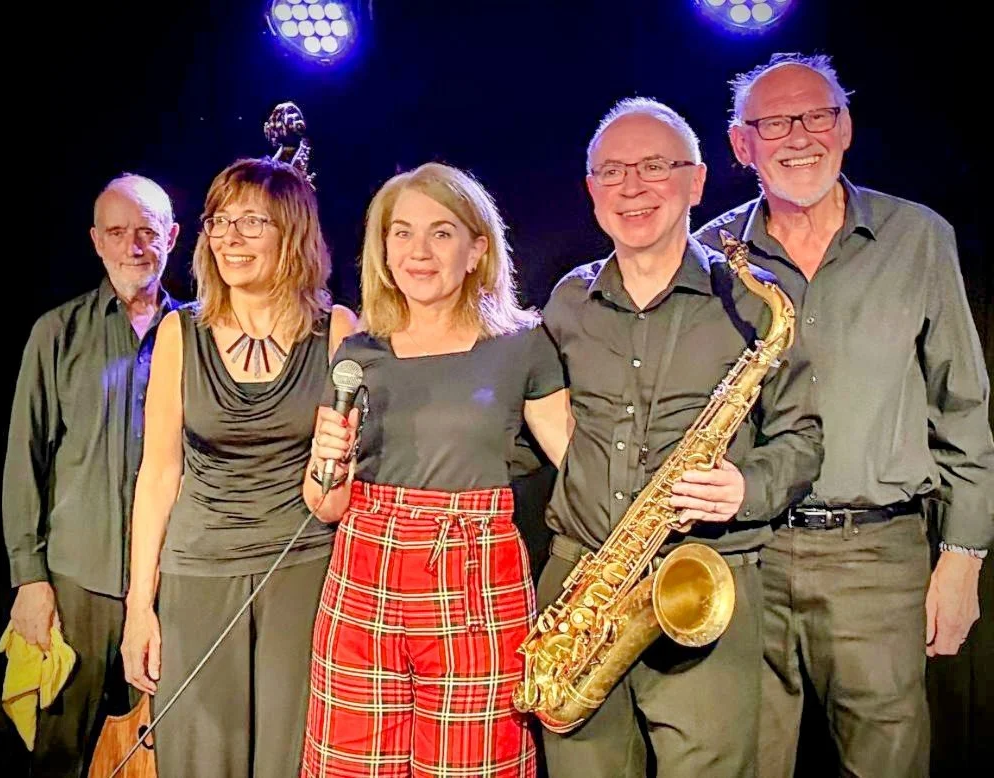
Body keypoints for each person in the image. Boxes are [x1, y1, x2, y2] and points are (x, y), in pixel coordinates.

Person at [696, 52, 994, 778]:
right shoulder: (708, 255)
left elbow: (962, 406)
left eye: (817, 116)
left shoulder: (918, 236)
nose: (800, 136)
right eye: (775, 123)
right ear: (741, 145)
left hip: (878, 558)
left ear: (846, 127)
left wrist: (963, 559)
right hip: (746, 555)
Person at [537, 98, 824, 778]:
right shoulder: (567, 301)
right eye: (612, 172)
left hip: (703, 584)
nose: (632, 187)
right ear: (591, 191)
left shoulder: (755, 301)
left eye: (654, 167)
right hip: (582, 589)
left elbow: (803, 439)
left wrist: (745, 488)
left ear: (697, 182)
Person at [300, 162, 574, 778]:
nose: (418, 251)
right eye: (401, 233)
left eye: (441, 233)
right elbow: (325, 506)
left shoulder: (521, 345)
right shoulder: (358, 353)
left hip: (473, 580)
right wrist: (326, 461)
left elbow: (577, 465)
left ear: (477, 250)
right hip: (364, 575)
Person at [120, 157, 356, 778]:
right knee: (201, 754)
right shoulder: (180, 332)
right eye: (219, 222)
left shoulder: (337, 330)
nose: (230, 238)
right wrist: (139, 607)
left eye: (252, 222)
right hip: (199, 570)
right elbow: (158, 475)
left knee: (291, 753)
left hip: (302, 570)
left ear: (293, 233)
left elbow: (343, 482)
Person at [1, 174, 180, 776]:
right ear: (96, 242)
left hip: (170, 588)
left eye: (147, 232)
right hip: (76, 587)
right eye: (117, 232)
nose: (133, 246)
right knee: (61, 756)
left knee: (155, 760)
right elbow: (24, 460)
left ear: (172, 238)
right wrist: (29, 578)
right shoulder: (56, 333)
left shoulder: (198, 336)